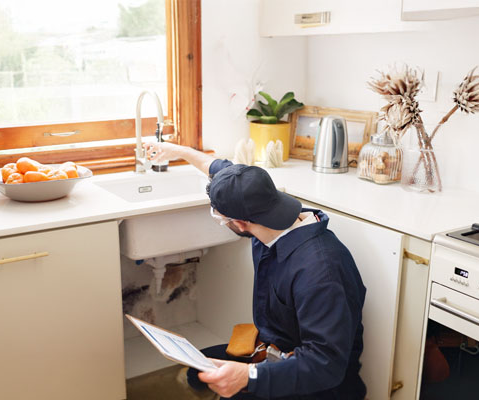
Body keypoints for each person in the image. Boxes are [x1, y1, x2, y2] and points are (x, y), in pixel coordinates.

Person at [144, 142, 367, 400]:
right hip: (274, 352)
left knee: (228, 388)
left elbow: (325, 365)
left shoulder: (320, 271)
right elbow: (221, 170)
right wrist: (178, 151)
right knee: (195, 371)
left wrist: (248, 376)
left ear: (239, 223)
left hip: (319, 384)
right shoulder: (267, 217)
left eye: (220, 219)